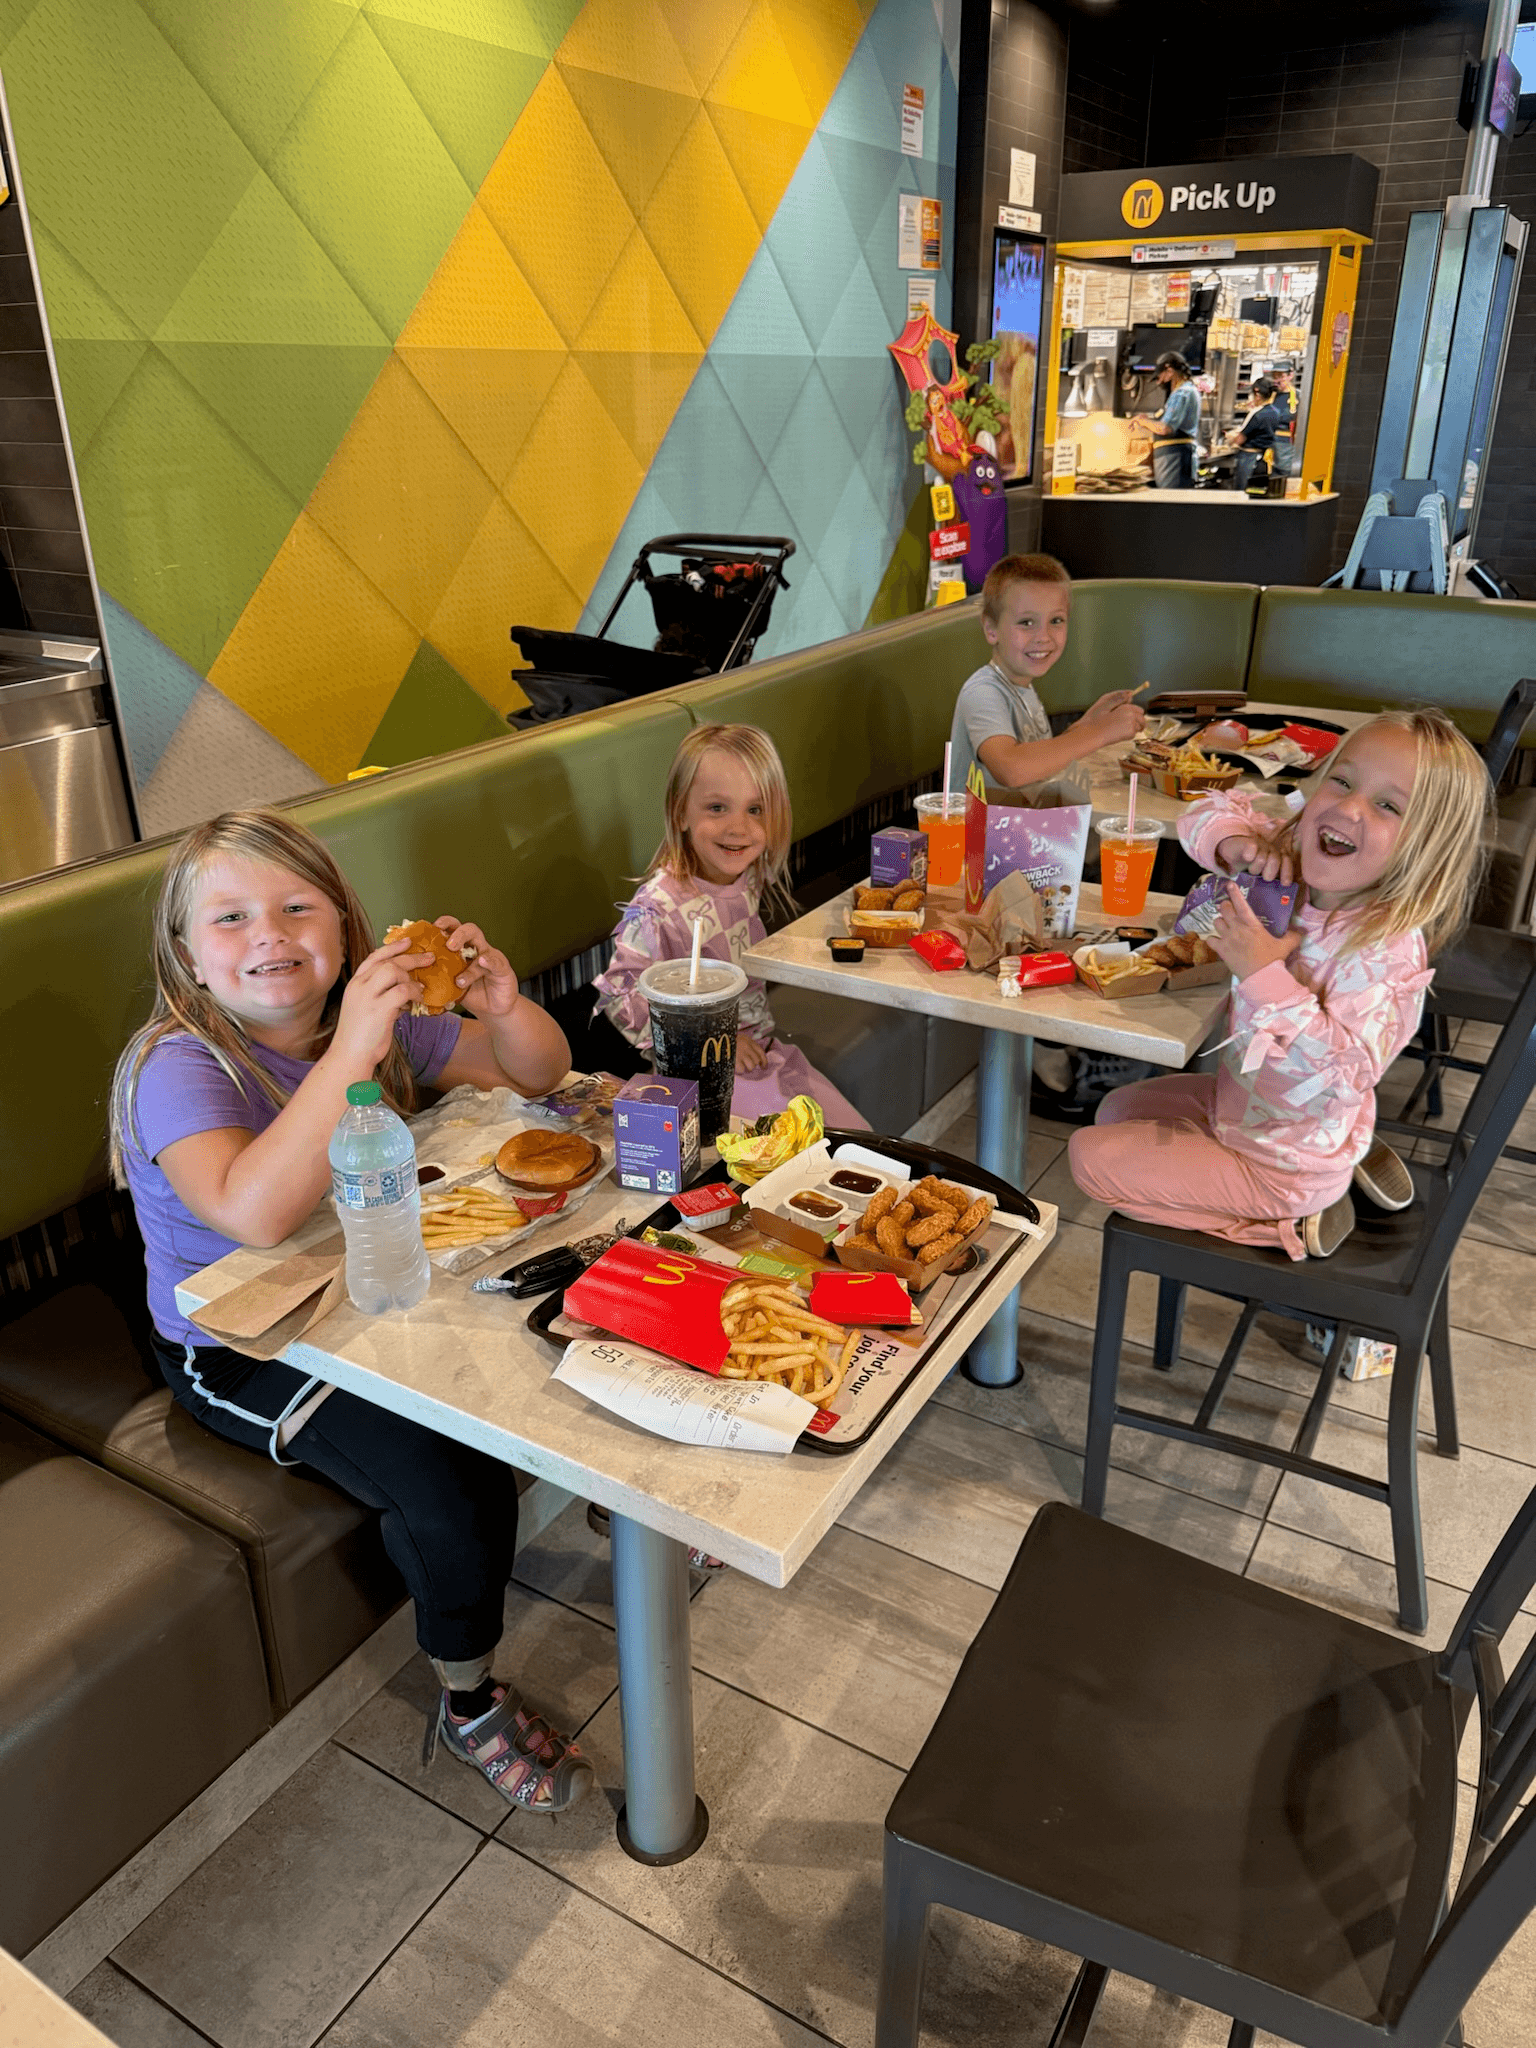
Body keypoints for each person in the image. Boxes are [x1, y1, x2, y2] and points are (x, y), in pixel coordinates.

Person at [109, 808, 593, 1815]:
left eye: (297, 908)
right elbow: (253, 1210)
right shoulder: (177, 1065)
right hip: (239, 1343)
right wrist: (359, 1050)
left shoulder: (368, 1022)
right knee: (452, 1482)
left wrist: (505, 1007)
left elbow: (538, 1072)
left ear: (345, 926)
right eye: (231, 918)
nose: (270, 935)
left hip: (359, 1279)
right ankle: (469, 1697)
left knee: (557, 1330)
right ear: (188, 956)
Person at [1067, 709, 1490, 1259]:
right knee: (1114, 1110)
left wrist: (1263, 974)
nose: (1348, 808)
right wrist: (1236, 845)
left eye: (1388, 806)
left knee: (1089, 1158)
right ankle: (1344, 1155)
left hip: (1282, 1163)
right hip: (1241, 1109)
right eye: (1342, 781)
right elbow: (1204, 811)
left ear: (1429, 847)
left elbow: (1342, 1077)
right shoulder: (1294, 862)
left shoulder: (1386, 952)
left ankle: (1290, 1220)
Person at [592, 723, 869, 1129]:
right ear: (680, 812)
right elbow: (620, 997)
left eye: (755, 810)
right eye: (717, 808)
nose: (738, 828)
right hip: (698, 1081)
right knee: (812, 1148)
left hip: (763, 1056)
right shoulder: (657, 908)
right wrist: (710, 1043)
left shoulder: (747, 875)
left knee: (857, 1137)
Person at [947, 552, 1145, 799]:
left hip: (1025, 820)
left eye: (1056, 620)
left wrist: (1087, 724)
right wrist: (1100, 732)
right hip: (978, 825)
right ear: (991, 629)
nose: (1043, 636)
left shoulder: (1022, 687)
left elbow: (1038, 760)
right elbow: (1011, 769)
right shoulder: (983, 692)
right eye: (1026, 622)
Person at [1133, 351, 1202, 489]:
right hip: (1174, 457)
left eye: (1160, 377)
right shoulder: (1189, 390)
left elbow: (1165, 428)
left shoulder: (1182, 393)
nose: (1159, 382)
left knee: (1171, 499)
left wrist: (1143, 422)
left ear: (1170, 371)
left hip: (1174, 458)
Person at [1221, 375, 1282, 492]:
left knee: (1241, 493)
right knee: (1256, 493)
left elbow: (1240, 438)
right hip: (1264, 460)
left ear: (1257, 395)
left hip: (1248, 459)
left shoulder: (1257, 414)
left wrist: (1229, 439)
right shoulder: (1275, 412)